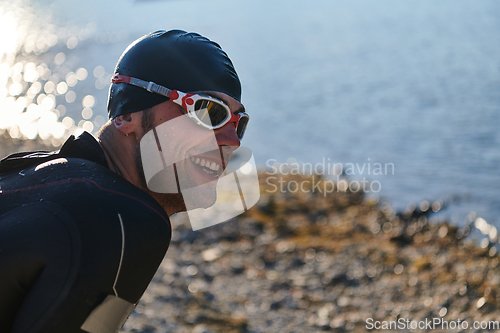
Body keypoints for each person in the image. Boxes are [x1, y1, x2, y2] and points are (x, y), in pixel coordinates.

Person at [0, 29, 248, 333]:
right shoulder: (125, 219)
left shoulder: (32, 171)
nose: (231, 140)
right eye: (208, 110)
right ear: (126, 115)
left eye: (239, 123)